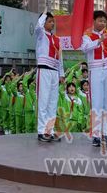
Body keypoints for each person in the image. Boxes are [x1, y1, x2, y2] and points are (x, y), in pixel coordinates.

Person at [78, 10, 107, 147]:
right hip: (95, 70)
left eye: (104, 21)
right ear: (94, 21)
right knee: (97, 102)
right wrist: (99, 41)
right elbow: (84, 48)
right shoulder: (88, 35)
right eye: (100, 20)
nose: (102, 23)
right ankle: (96, 135)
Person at [35, 12, 64, 142]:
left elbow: (60, 58)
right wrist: (43, 14)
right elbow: (38, 27)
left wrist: (61, 73)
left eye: (53, 22)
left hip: (54, 71)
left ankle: (49, 130)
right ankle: (41, 131)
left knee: (52, 102)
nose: (52, 23)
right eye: (49, 21)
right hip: (44, 70)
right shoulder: (41, 35)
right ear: (44, 22)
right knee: (43, 101)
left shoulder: (57, 39)